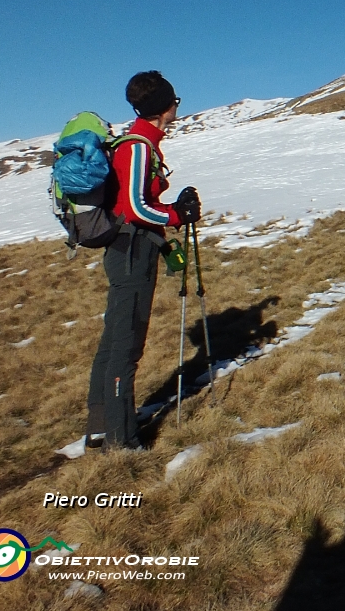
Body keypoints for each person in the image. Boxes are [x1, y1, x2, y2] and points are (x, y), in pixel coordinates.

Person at [86, 71, 201, 450]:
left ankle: (102, 429)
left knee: (114, 339)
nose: (176, 108)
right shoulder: (138, 147)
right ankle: (122, 441)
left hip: (128, 248)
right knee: (126, 345)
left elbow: (137, 203)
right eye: (175, 103)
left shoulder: (139, 142)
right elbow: (135, 208)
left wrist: (170, 211)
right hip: (131, 251)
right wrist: (176, 216)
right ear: (164, 108)